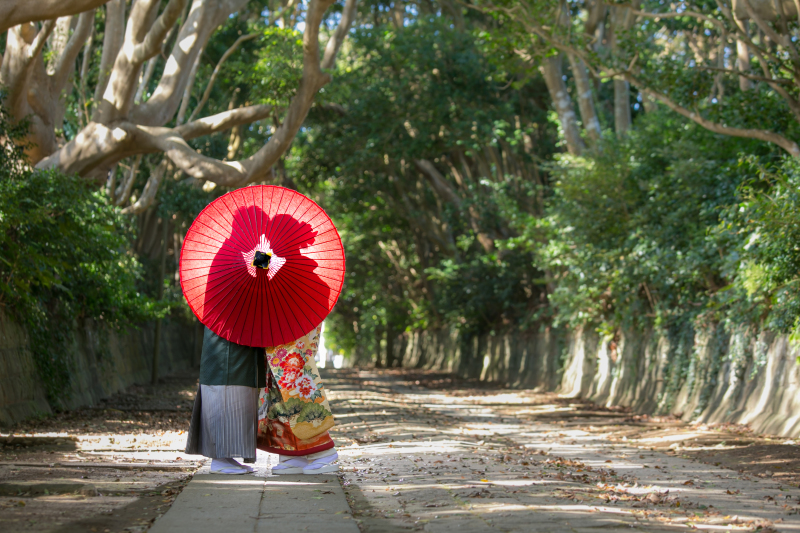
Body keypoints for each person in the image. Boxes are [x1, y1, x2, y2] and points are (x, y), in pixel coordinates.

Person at [185, 324, 338, 475]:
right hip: (271, 321)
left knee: (294, 381)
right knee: (278, 385)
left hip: (289, 319)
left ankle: (322, 450)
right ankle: (292, 453)